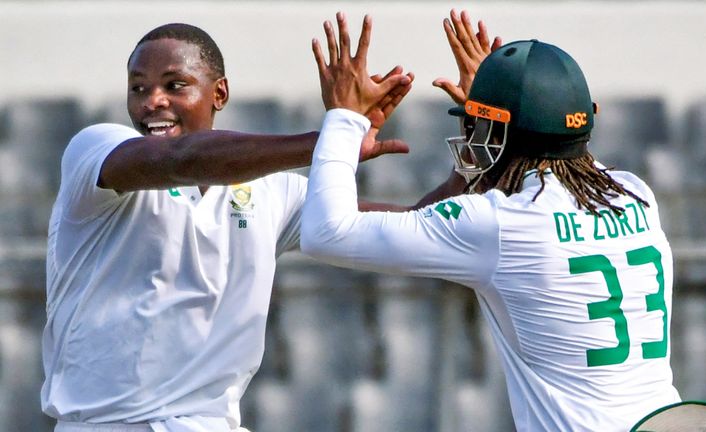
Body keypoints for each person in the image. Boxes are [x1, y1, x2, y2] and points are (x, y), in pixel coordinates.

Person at [301, 10, 682, 432]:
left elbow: (326, 234)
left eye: (476, 126)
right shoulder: (636, 195)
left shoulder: (500, 224)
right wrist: (502, 107)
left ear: (496, 132)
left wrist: (344, 117)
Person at [41, 22, 423, 432]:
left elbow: (416, 227)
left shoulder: (274, 191)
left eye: (175, 85)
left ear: (219, 93)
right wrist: (334, 139)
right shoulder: (96, 150)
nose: (153, 101)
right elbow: (180, 160)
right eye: (138, 88)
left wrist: (482, 156)